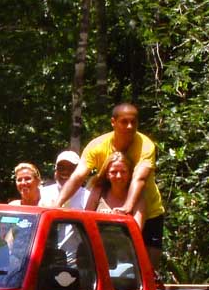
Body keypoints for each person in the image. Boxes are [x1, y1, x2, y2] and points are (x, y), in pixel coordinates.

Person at [48, 102, 166, 271]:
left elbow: (139, 178)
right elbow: (78, 175)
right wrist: (57, 204)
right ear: (113, 122)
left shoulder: (146, 145)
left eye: (133, 122)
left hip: (149, 208)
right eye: (124, 122)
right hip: (111, 216)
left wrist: (127, 208)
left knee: (147, 269)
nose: (129, 126)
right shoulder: (97, 146)